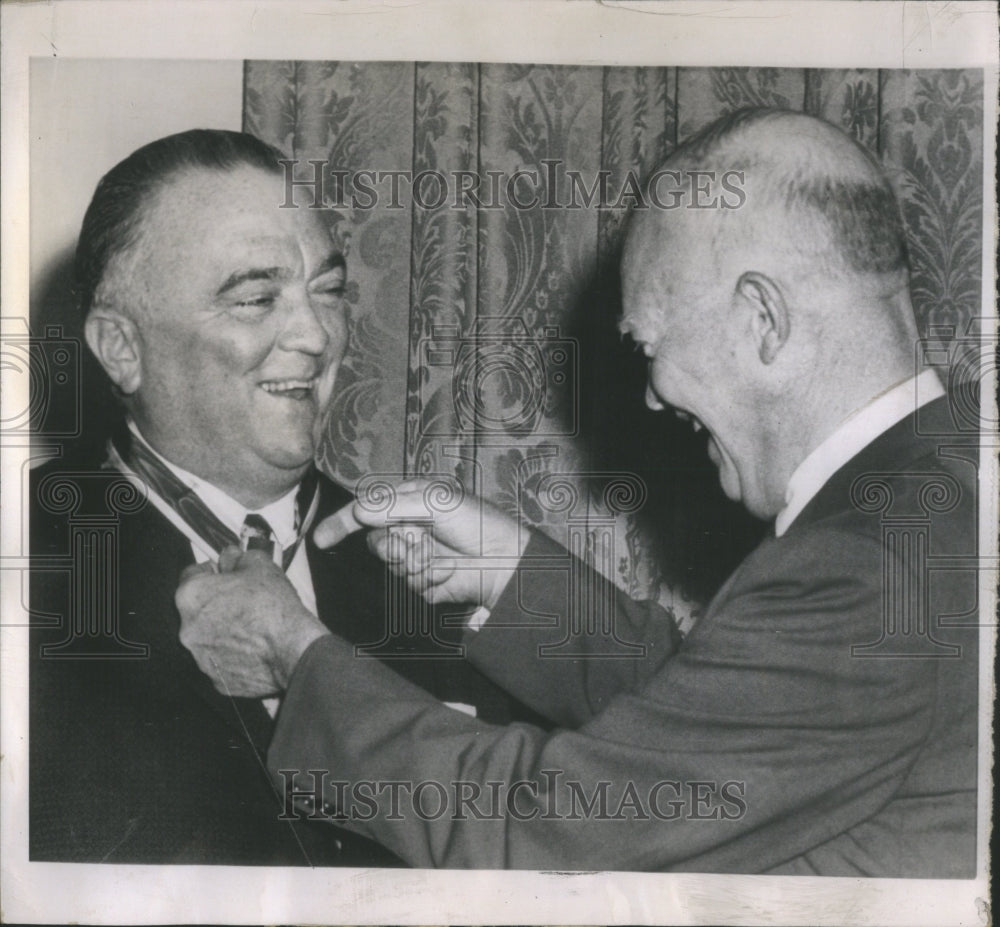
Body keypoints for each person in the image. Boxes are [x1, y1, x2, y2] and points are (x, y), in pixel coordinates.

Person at [175, 109, 981, 875]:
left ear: (763, 318)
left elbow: (543, 827)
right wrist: (516, 573)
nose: (653, 398)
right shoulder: (935, 491)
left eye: (650, 346)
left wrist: (296, 655)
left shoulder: (864, 565)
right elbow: (743, 722)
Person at [29, 129, 535, 865]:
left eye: (327, 290)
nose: (317, 335)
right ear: (122, 348)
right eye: (257, 297)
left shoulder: (439, 570)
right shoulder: (26, 561)